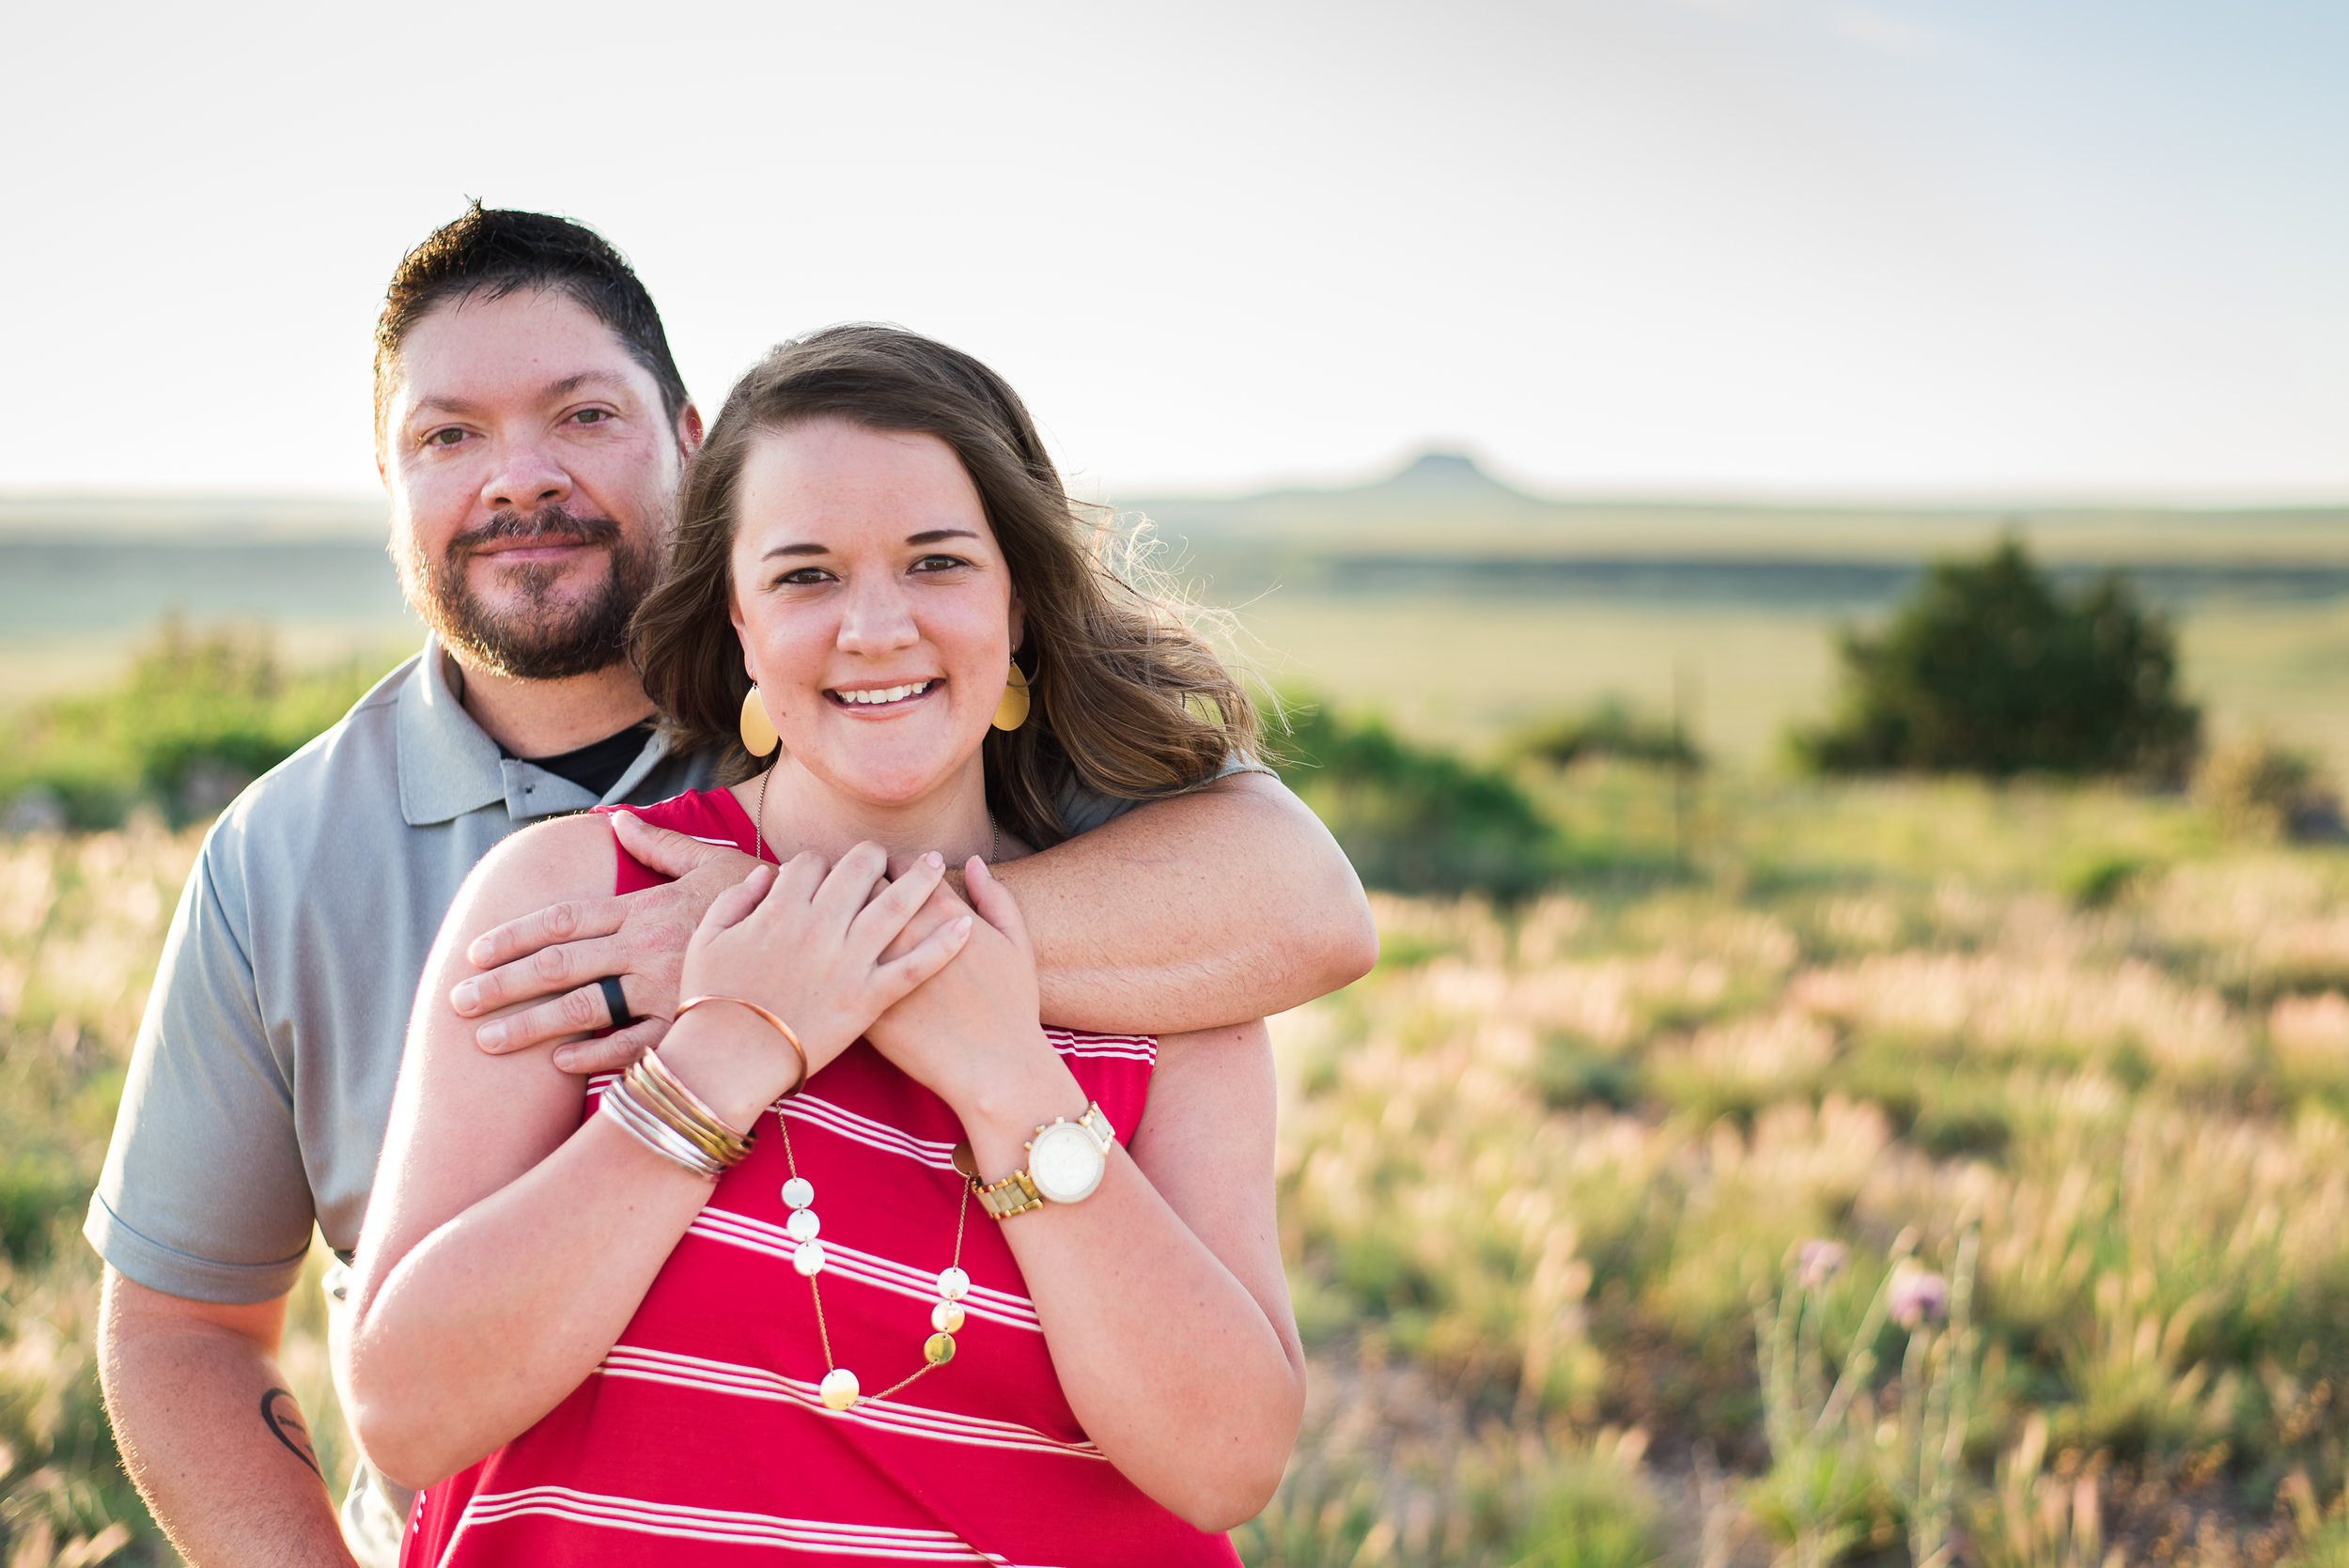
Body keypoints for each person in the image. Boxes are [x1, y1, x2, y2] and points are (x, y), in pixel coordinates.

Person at [86, 209, 1373, 1568]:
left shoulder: (1103, 851)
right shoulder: (308, 857)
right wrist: (731, 1041)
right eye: (448, 434)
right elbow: (223, 1343)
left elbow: (1304, 908)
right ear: (745, 621)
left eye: (581, 415)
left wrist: (877, 959)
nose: (518, 477)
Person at [340, 324, 1304, 1564]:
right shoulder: (585, 903)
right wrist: (712, 1065)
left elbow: (1227, 1462)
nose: (874, 626)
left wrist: (1009, 1077)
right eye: (805, 575)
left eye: (937, 562)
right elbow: (407, 1414)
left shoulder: (1170, 959)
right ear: (735, 620)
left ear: (1017, 605)